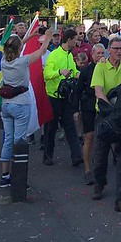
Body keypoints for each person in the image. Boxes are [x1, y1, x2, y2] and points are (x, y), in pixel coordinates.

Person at [91, 34, 121, 215]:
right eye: (116, 49)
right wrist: (111, 111)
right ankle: (99, 182)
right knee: (100, 155)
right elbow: (98, 91)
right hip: (105, 115)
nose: (119, 51)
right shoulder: (101, 67)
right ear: (109, 50)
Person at [0, 31, 49, 187]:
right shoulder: (23, 62)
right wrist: (47, 36)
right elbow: (42, 50)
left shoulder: (3, 61)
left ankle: (5, 175)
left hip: (6, 104)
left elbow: (17, 45)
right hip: (21, 103)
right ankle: (18, 177)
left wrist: (30, 36)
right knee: (19, 140)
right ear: (19, 49)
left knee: (8, 139)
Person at [42, 28, 83, 167]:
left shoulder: (69, 55)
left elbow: (73, 70)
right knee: (51, 128)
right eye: (75, 40)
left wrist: (78, 74)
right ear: (69, 40)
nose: (77, 42)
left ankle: (76, 156)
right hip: (54, 96)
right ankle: (47, 156)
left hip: (66, 96)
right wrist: (59, 72)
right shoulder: (54, 55)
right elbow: (47, 74)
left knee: (70, 126)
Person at [75, 42, 106, 185]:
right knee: (89, 137)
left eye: (102, 53)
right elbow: (78, 90)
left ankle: (100, 163)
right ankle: (88, 170)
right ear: (92, 55)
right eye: (98, 53)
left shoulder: (107, 68)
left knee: (104, 137)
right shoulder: (86, 70)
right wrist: (75, 110)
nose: (100, 56)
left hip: (103, 107)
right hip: (88, 106)